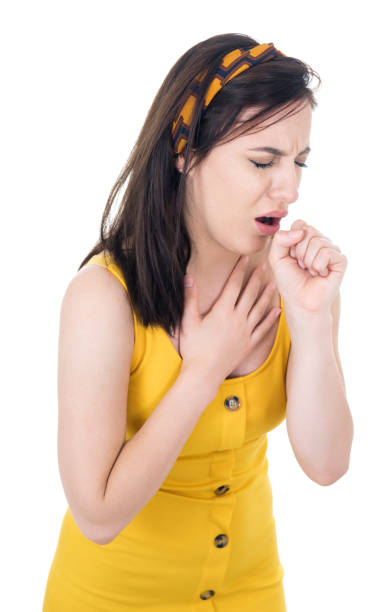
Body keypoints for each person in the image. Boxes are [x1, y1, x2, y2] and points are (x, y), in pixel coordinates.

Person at [42, 33, 352, 611]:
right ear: (184, 151)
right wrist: (203, 370)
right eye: (263, 160)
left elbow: (328, 464)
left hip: (251, 593)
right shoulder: (103, 299)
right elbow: (98, 513)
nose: (290, 189)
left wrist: (312, 324)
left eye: (299, 161)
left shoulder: (294, 280)